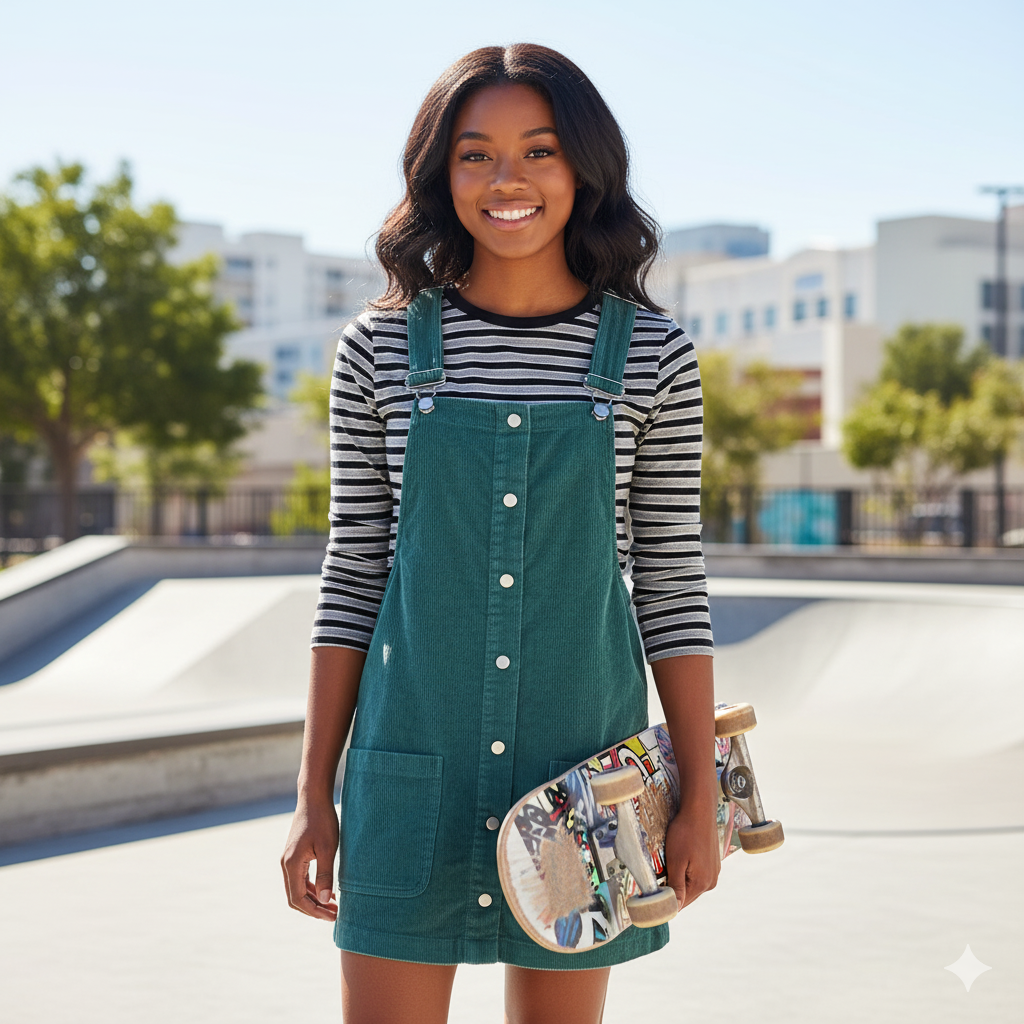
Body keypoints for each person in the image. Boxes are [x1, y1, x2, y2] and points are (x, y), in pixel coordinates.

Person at [281, 42, 719, 1024]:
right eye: (475, 154)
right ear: (440, 174)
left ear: (585, 171)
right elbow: (352, 569)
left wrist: (697, 795)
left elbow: (673, 582)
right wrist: (313, 792)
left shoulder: (654, 355)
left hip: (584, 772)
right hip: (409, 764)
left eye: (540, 150)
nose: (507, 179)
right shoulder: (379, 348)